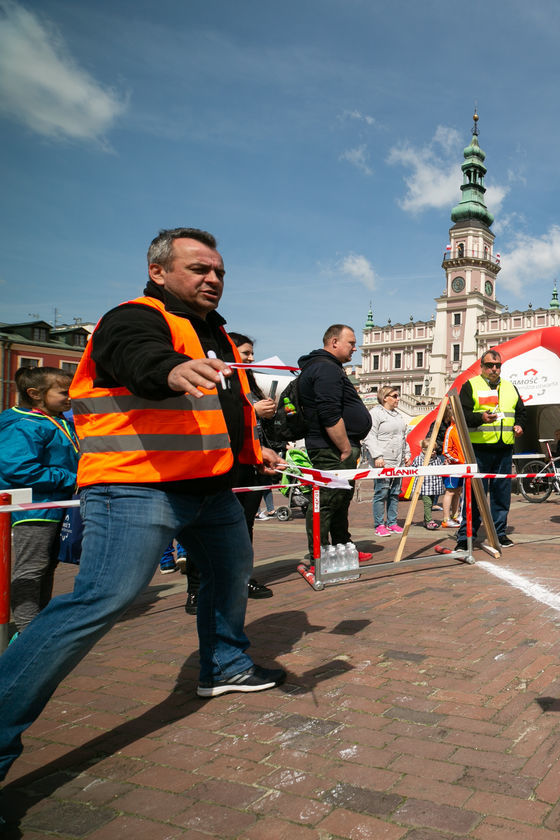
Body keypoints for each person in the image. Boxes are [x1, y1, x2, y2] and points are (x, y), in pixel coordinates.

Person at [0, 228, 287, 781]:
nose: (213, 279)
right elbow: (137, 357)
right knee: (100, 601)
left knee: (230, 575)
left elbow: (227, 411)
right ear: (159, 272)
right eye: (199, 269)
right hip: (137, 486)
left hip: (209, 487)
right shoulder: (133, 317)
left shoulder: (217, 335)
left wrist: (258, 452)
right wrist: (170, 370)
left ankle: (224, 664)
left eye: (219, 271)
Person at [182, 332, 277, 613]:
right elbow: (216, 419)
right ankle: (196, 589)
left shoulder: (248, 381)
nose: (250, 358)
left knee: (244, 526)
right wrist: (255, 412)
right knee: (204, 531)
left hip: (250, 463)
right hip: (219, 465)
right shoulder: (214, 382)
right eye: (244, 353)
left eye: (250, 354)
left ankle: (241, 579)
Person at [0, 367, 78, 634]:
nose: (71, 397)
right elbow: (19, 469)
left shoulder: (57, 420)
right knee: (31, 569)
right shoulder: (24, 425)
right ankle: (26, 631)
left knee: (46, 566)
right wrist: (71, 478)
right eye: (64, 392)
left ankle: (36, 624)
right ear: (35, 394)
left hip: (55, 506)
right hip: (33, 508)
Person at [299, 325, 372, 560]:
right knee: (328, 501)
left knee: (340, 498)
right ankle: (319, 556)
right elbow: (329, 412)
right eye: (351, 342)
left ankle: (342, 547)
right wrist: (344, 447)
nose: (355, 348)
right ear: (334, 342)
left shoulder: (327, 367)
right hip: (332, 447)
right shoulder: (325, 368)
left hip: (337, 446)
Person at [455, 349, 525, 549]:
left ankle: (499, 533)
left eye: (497, 366)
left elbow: (521, 412)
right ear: (482, 367)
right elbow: (463, 414)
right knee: (475, 494)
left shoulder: (511, 387)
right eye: (489, 366)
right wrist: (480, 418)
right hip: (479, 448)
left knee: (501, 494)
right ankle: (466, 536)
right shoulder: (471, 385)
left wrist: (520, 425)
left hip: (504, 448)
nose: (494, 369)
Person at [363, 387, 409, 537]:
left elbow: (403, 437)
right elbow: (370, 436)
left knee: (395, 492)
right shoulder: (375, 414)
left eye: (398, 396)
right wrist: (377, 456)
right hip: (383, 460)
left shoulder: (398, 415)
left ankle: (392, 522)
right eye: (395, 396)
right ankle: (379, 524)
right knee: (381, 492)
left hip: (398, 460)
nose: (398, 399)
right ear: (385, 398)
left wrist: (406, 454)